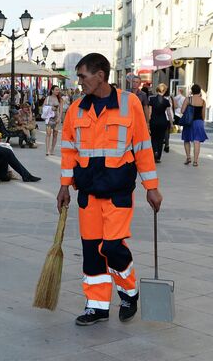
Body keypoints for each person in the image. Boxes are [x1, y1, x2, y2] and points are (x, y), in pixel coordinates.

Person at [58, 53, 162, 326]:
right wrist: (64, 187)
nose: (79, 82)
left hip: (118, 192)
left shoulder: (130, 104)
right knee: (92, 250)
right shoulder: (75, 110)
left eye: (83, 76)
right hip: (88, 194)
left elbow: (142, 146)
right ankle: (97, 306)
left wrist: (151, 187)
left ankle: (129, 292)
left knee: (113, 247)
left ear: (100, 75)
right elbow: (68, 150)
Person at [181, 83, 208, 167]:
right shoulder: (203, 101)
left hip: (189, 121)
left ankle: (188, 157)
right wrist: (202, 121)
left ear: (192, 91)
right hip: (199, 122)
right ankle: (195, 161)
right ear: (200, 91)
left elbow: (182, 111)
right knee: (197, 141)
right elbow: (203, 115)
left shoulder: (188, 99)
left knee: (187, 139)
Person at [149, 83, 173, 163]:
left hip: (154, 121)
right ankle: (158, 156)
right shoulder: (166, 101)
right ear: (165, 91)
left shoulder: (152, 99)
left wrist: (148, 123)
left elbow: (149, 112)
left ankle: (155, 151)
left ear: (157, 89)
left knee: (153, 137)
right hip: (163, 121)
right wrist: (171, 123)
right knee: (160, 139)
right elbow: (169, 113)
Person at [43, 85, 63, 156]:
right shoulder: (48, 98)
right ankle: (47, 150)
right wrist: (50, 108)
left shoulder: (60, 99)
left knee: (55, 134)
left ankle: (52, 149)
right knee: (48, 133)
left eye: (58, 90)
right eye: (56, 90)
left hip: (57, 118)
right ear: (52, 90)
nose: (58, 91)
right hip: (49, 118)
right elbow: (44, 107)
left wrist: (59, 118)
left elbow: (61, 110)